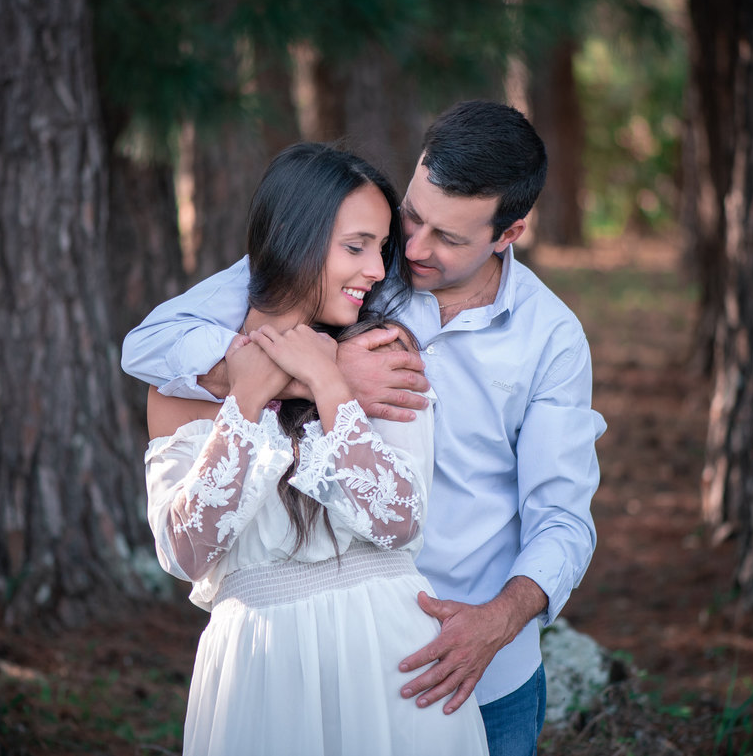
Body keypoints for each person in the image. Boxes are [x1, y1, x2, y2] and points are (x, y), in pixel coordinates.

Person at [124, 101, 606, 756]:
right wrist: (320, 371)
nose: (409, 251)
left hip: (471, 667)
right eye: (412, 215)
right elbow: (152, 345)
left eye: (448, 237)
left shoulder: (550, 339)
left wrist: (498, 621)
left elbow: (561, 518)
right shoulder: (347, 269)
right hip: (289, 663)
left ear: (508, 232)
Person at [142, 141, 489, 756]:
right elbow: (187, 551)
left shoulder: (383, 355)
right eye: (355, 247)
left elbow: (399, 519)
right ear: (291, 239)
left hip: (391, 661)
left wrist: (330, 384)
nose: (379, 271)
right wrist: (246, 403)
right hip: (261, 670)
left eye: (380, 250)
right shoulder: (183, 386)